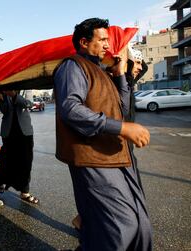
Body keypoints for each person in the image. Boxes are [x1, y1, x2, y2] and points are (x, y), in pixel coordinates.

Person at [53, 18, 152, 250]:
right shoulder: (72, 66)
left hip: (116, 156)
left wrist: (119, 75)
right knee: (121, 226)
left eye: (108, 39)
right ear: (85, 42)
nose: (108, 44)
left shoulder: (102, 71)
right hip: (92, 158)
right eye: (103, 39)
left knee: (138, 221)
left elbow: (123, 110)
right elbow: (70, 109)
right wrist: (123, 128)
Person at [0, 90, 39, 204]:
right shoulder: (3, 92)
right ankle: (1, 181)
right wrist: (2, 98)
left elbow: (29, 103)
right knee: (6, 160)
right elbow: (4, 110)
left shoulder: (26, 89)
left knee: (26, 162)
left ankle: (25, 192)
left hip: (25, 133)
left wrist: (15, 96)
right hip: (8, 133)